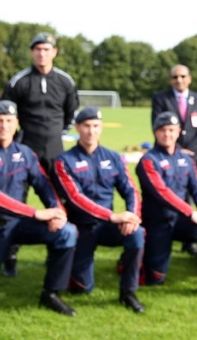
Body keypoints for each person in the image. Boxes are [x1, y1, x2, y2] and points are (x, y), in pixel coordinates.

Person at [0, 100, 78, 316]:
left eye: (9, 121)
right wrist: (35, 212)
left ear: (17, 124)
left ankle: (51, 294)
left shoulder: (25, 153)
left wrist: (57, 211)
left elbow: (43, 184)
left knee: (67, 231)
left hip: (21, 224)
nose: (4, 126)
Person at [52, 107, 146, 313]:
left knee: (137, 233)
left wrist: (132, 216)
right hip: (82, 228)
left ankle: (128, 292)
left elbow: (130, 190)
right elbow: (76, 199)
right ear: (78, 128)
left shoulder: (114, 157)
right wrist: (113, 216)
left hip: (108, 226)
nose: (91, 131)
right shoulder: (63, 161)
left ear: (101, 128)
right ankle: (72, 272)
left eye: (95, 126)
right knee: (83, 289)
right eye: (86, 126)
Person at [136, 111, 197, 300]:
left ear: (178, 132)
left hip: (181, 221)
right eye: (162, 130)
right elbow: (162, 192)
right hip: (158, 223)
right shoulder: (148, 161)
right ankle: (133, 260)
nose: (167, 134)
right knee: (155, 279)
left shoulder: (187, 159)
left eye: (171, 130)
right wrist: (190, 211)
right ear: (155, 132)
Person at [2, 32, 79, 168]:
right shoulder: (19, 81)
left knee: (57, 187)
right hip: (25, 145)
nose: (42, 54)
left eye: (46, 49)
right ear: (32, 52)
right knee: (17, 187)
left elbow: (72, 111)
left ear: (54, 52)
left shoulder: (65, 81)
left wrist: (59, 132)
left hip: (54, 146)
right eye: (38, 49)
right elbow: (4, 111)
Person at [150, 64, 197, 155]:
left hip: (193, 153)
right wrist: (177, 149)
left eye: (183, 76)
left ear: (189, 79)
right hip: (167, 153)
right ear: (170, 80)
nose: (179, 80)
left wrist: (192, 148)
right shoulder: (160, 99)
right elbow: (157, 125)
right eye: (175, 77)